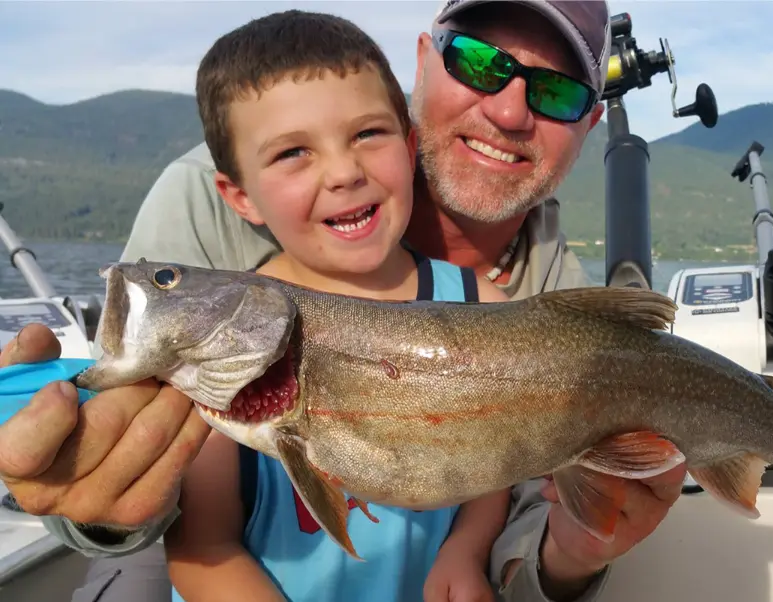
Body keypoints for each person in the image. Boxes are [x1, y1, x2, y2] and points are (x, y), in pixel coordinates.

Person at [0, 1, 688, 602]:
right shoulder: (202, 215)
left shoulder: (541, 299)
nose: (509, 110)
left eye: (557, 92)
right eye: (479, 62)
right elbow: (190, 536)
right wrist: (93, 489)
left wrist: (550, 554)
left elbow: (498, 478)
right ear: (426, 62)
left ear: (592, 120)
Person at [164, 9, 512, 602]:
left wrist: (466, 548)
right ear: (239, 196)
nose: (344, 172)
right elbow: (203, 549)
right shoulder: (218, 341)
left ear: (408, 146)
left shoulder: (485, 308)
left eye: (368, 134)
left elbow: (496, 456)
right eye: (292, 153)